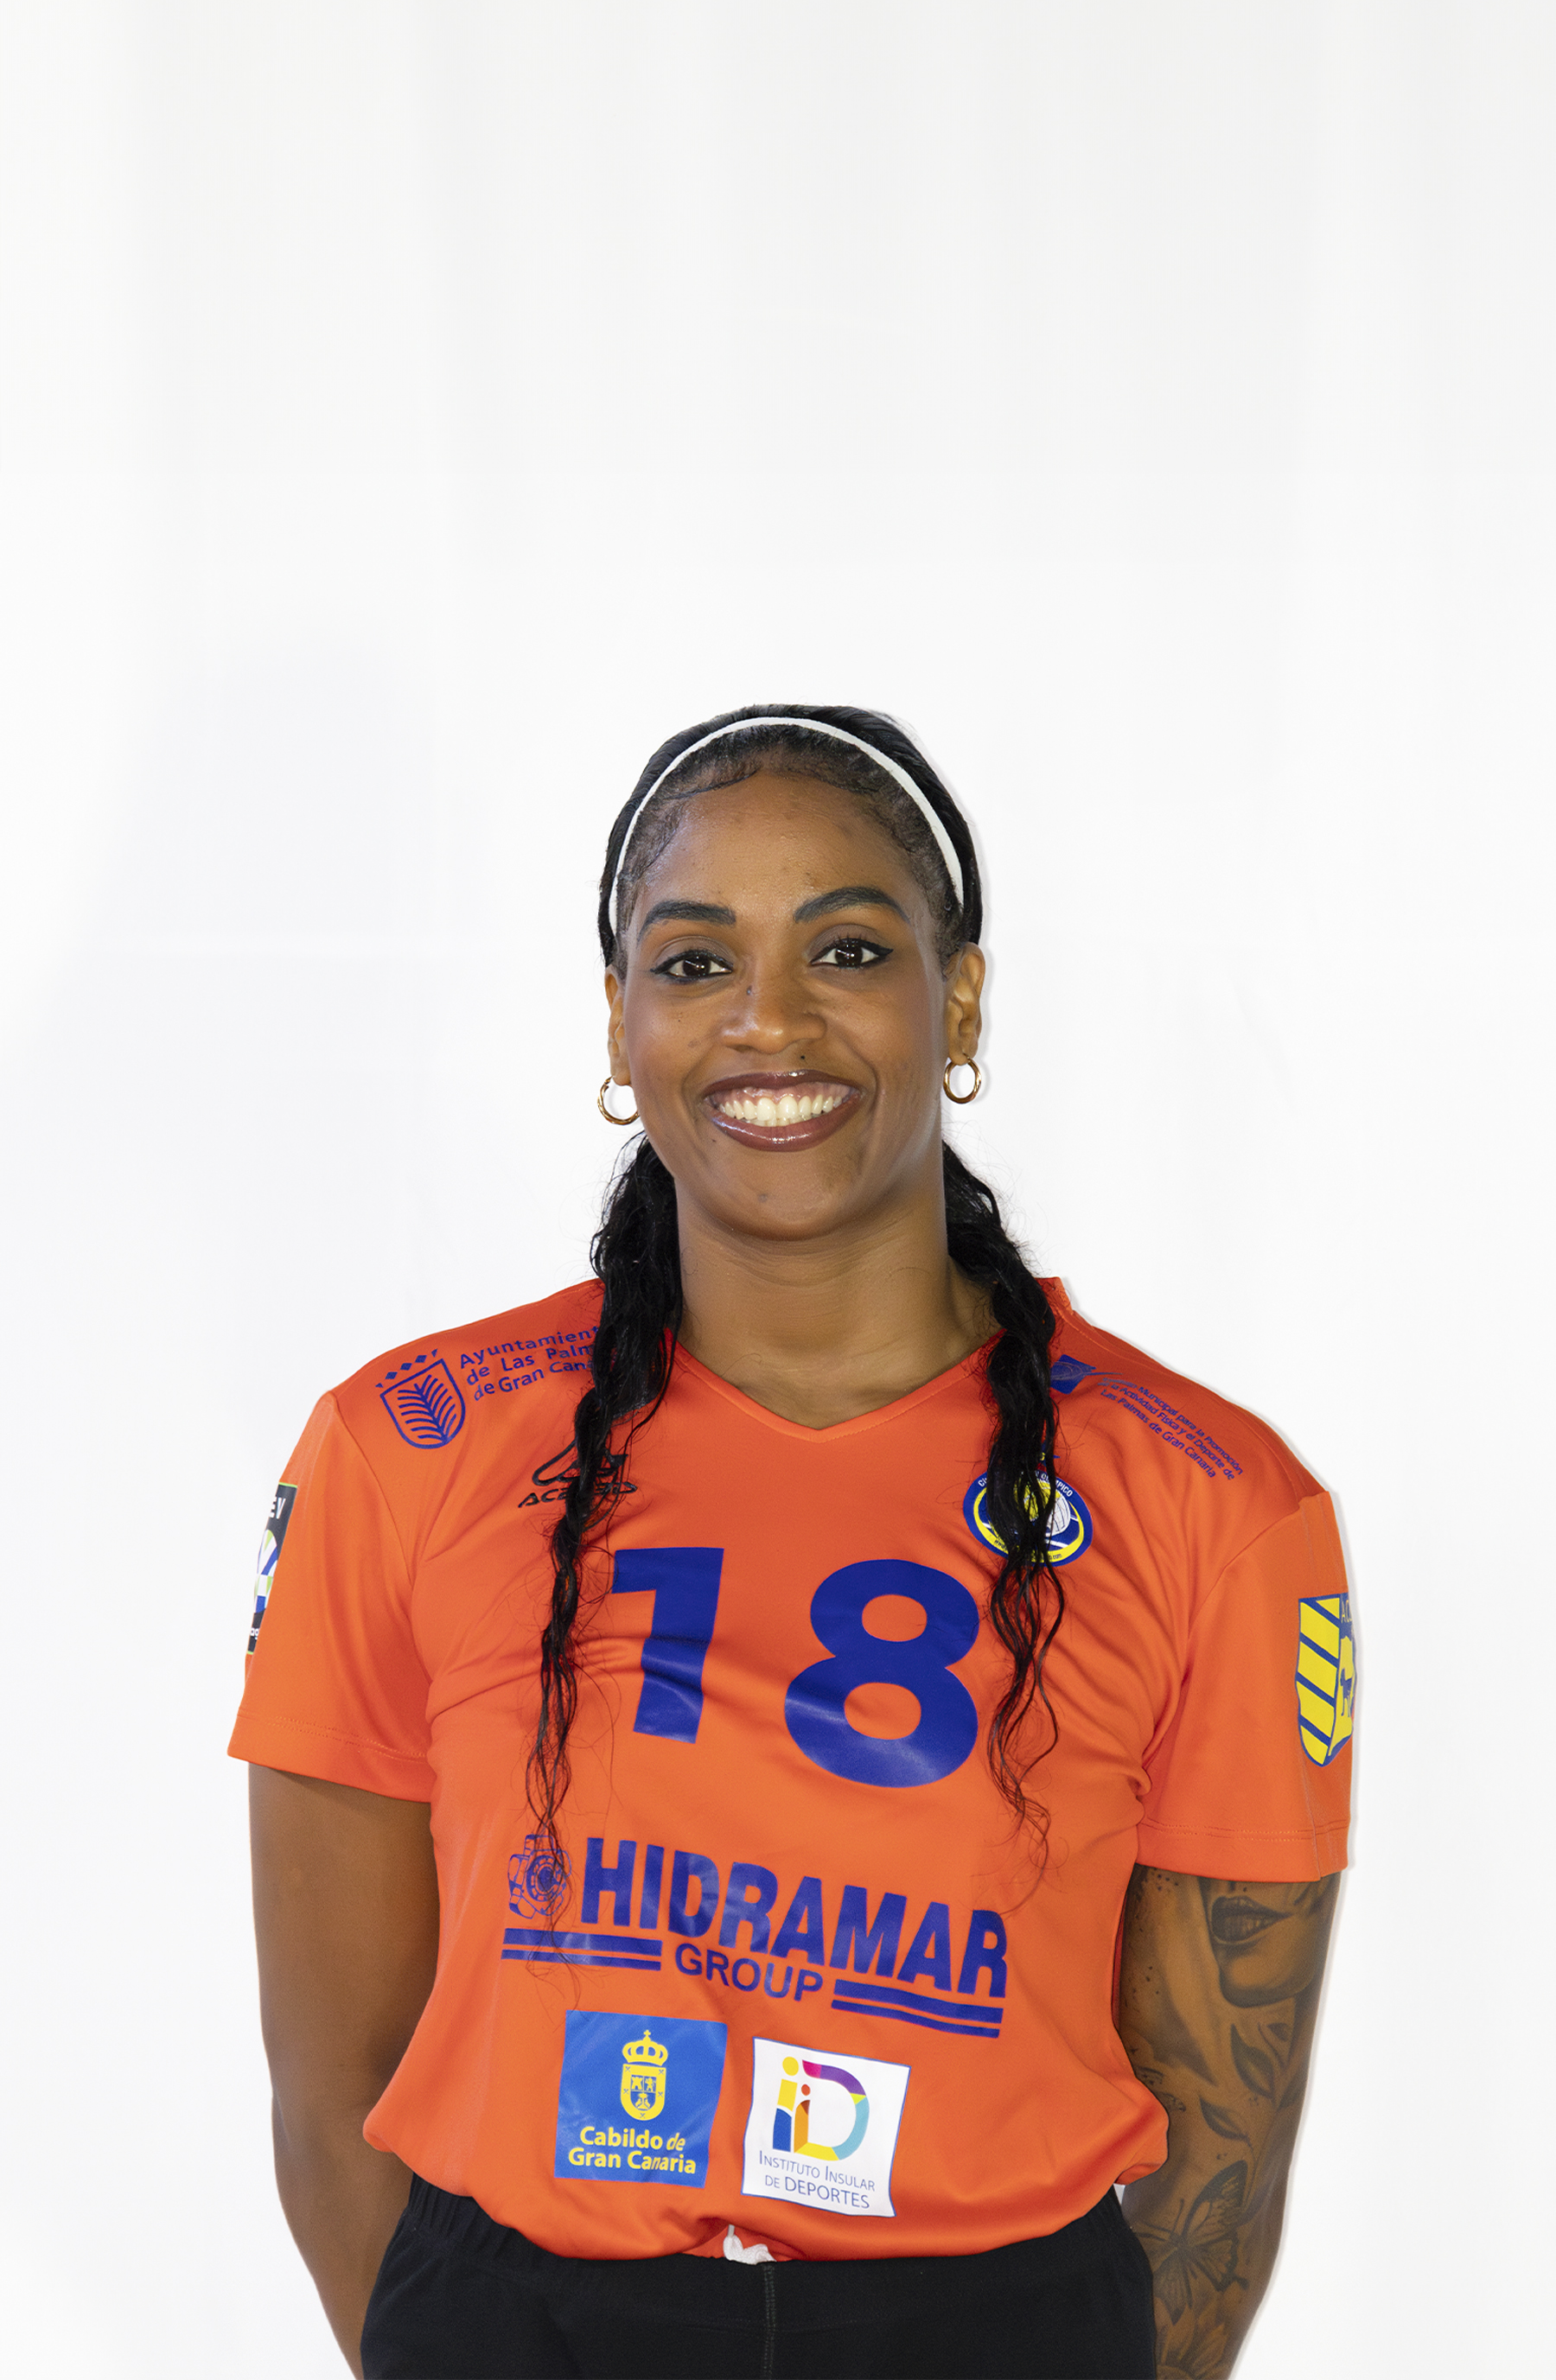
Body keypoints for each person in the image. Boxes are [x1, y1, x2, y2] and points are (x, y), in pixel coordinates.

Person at [233, 704, 1354, 2380]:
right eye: (695, 962)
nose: (769, 1016)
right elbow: (333, 2098)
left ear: (957, 1002)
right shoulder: (409, 1445)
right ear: (620, 1024)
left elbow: (1224, 2162)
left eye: (846, 948)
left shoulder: (1217, 1503)